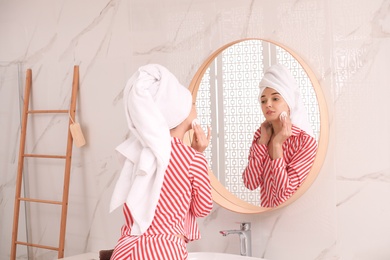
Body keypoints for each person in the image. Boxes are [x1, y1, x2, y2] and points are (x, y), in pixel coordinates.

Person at [109, 64, 213, 259]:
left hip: (124, 248)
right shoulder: (192, 159)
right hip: (163, 250)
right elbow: (202, 207)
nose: (194, 107)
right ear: (180, 113)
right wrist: (198, 156)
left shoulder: (139, 151)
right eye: (191, 104)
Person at [242, 64, 317, 208]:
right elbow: (250, 183)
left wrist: (277, 146)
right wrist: (262, 143)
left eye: (275, 99)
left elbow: (285, 194)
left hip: (293, 220)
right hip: (268, 219)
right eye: (263, 100)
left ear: (288, 103)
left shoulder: (305, 142)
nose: (267, 105)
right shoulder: (261, 136)